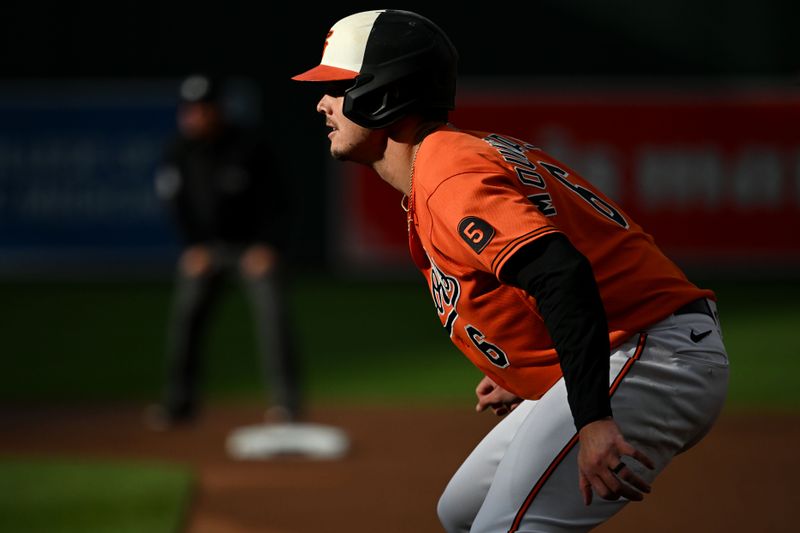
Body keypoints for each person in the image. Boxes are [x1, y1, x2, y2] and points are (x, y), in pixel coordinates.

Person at [291, 10, 729, 533]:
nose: (321, 104)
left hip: (650, 354)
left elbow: (561, 274)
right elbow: (569, 265)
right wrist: (529, 362)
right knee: (461, 511)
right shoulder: (459, 155)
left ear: (382, 94)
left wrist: (592, 419)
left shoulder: (448, 171)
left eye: (337, 88)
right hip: (635, 343)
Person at [146, 73, 303, 430]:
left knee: (273, 317)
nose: (194, 116)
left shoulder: (250, 146)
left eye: (202, 108)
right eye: (189, 109)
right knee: (186, 318)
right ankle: (179, 404)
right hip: (206, 251)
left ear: (219, 110)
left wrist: (268, 246)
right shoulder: (179, 151)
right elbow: (177, 206)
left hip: (253, 249)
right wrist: (192, 247)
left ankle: (286, 406)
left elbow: (281, 201)